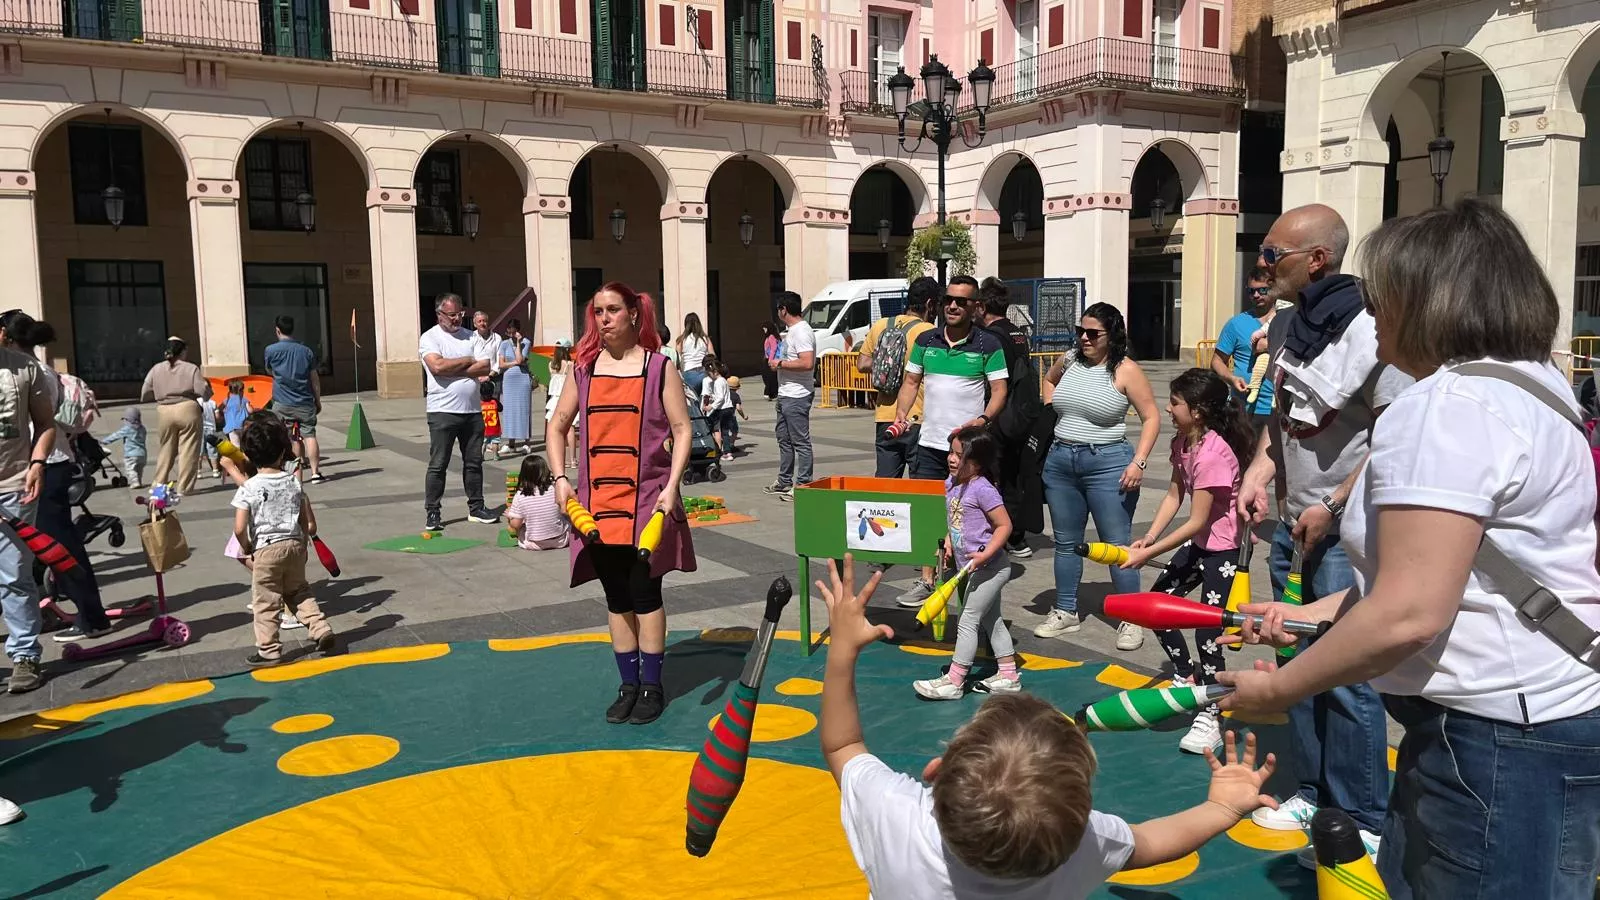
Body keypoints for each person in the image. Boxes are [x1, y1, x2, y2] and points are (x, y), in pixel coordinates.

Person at [1221, 198, 1600, 896]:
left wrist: (1276, 688)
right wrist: (1310, 615)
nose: (1371, 314)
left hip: (1491, 737)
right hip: (1544, 717)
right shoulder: (1536, 385)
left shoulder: (1444, 408)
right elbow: (1447, 573)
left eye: (1382, 295)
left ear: (1427, 301)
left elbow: (1408, 613)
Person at [817, 554, 1281, 900]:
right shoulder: (1079, 845)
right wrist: (1222, 807)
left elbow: (842, 744)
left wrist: (842, 648)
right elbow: (1151, 842)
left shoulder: (898, 816)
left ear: (934, 771)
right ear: (1084, 809)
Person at [1231, 203, 1399, 850]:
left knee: (1347, 679)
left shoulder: (1373, 330)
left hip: (1342, 536)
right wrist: (1258, 471)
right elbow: (1283, 422)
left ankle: (1363, 819)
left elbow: (1393, 437)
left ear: (1317, 260)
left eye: (1273, 254)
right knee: (1295, 661)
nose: (1261, 264)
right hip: (1292, 530)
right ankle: (1313, 793)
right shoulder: (1288, 326)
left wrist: (1333, 504)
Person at [549, 282, 695, 726]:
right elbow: (557, 425)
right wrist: (560, 480)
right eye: (598, 311)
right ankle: (628, 685)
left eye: (613, 310)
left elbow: (682, 429)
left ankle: (652, 686)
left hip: (648, 502)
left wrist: (672, 486)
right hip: (597, 506)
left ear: (633, 313)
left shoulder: (659, 367)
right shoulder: (584, 369)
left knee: (645, 594)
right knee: (616, 597)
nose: (604, 318)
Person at [1122, 368, 1253, 755]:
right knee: (1158, 607)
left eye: (1175, 402)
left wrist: (1147, 554)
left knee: (1206, 631)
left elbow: (1197, 520)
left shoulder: (1212, 454)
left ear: (1197, 411)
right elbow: (1173, 495)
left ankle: (1212, 711)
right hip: (1200, 544)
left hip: (1223, 550)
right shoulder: (1183, 442)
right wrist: (1150, 536)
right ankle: (1186, 674)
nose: (1168, 407)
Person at [1034, 304, 1161, 650]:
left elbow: (1151, 417)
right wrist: (1050, 410)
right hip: (1061, 461)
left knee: (1117, 544)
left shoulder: (1125, 369)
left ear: (1112, 335)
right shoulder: (1069, 359)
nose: (1084, 339)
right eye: (1081, 331)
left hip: (1108, 464)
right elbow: (1048, 380)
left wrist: (1139, 463)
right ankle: (1065, 610)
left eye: (1093, 333)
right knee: (1066, 542)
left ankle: (1132, 618)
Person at [891, 276, 1009, 607]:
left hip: (969, 449)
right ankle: (927, 579)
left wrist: (983, 420)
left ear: (976, 307)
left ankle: (971, 578)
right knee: (930, 515)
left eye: (961, 301)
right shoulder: (926, 339)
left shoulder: (988, 344)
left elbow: (1000, 390)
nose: (952, 306)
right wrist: (901, 414)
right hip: (929, 444)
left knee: (970, 515)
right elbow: (911, 381)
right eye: (948, 300)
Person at [0, 313, 112, 645]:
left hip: (43, 467)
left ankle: (92, 616)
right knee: (43, 550)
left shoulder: (31, 371)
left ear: (7, 338)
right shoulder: (39, 369)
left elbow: (44, 423)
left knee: (57, 548)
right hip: (46, 464)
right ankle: (71, 612)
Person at [911, 425, 1018, 700]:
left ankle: (955, 681)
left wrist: (986, 553)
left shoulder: (982, 489)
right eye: (951, 452)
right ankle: (1008, 675)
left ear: (978, 462)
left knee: (967, 620)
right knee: (992, 620)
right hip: (974, 568)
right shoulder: (952, 483)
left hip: (991, 568)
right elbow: (958, 521)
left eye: (960, 455)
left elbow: (1004, 525)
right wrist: (949, 541)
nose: (952, 458)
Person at [231, 414, 336, 666]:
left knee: (266, 600)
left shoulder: (249, 487)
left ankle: (269, 649)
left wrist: (246, 547)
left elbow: (239, 527)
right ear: (282, 453)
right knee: (299, 591)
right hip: (294, 545)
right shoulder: (292, 481)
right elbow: (305, 519)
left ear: (249, 455)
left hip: (266, 549)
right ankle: (320, 627)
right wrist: (303, 541)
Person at [0, 321, 62, 697]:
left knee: (14, 574)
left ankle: (24, 654)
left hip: (15, 486)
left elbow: (45, 424)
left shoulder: (24, 368)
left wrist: (37, 463)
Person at [978, 276, 1048, 559]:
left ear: (982, 307)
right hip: (1021, 415)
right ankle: (1017, 535)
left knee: (996, 476)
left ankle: (1006, 535)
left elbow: (996, 382)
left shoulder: (991, 337)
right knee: (1015, 475)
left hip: (1001, 417)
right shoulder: (1018, 333)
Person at [418, 293, 498, 532]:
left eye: (460, 314)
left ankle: (476, 507)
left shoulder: (471, 336)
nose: (457, 319)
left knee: (474, 462)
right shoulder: (430, 337)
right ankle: (433, 511)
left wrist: (452, 369)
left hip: (472, 411)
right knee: (438, 463)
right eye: (452, 315)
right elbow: (436, 366)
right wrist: (467, 361)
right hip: (442, 411)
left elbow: (484, 366)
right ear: (439, 314)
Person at [222, 411, 303, 631]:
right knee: (244, 554)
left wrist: (231, 469)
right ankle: (271, 588)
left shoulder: (287, 464)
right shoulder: (261, 457)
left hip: (275, 526)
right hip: (263, 523)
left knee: (279, 571)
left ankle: (285, 610)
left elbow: (251, 488)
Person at [856, 277, 936, 479]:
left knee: (886, 483)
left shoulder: (881, 325)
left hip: (885, 417)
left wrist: (888, 364)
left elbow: (862, 364)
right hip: (917, 417)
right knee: (921, 484)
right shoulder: (929, 332)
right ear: (930, 304)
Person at [1212, 267, 1282, 434]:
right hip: (1244, 408)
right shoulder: (1236, 324)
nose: (1256, 295)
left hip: (1279, 407)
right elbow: (1217, 361)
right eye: (1251, 291)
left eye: (1262, 290)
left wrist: (1269, 345)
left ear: (1274, 289)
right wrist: (1231, 378)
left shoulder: (1287, 319)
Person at [139, 337, 208, 494]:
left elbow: (145, 392)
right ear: (182, 352)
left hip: (164, 409)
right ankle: (184, 487)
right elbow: (202, 390)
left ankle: (158, 484)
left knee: (166, 448)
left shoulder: (156, 368)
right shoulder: (191, 368)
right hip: (187, 407)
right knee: (188, 449)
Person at [764, 292, 816, 500]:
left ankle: (803, 484)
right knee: (784, 439)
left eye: (778, 309)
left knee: (800, 442)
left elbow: (807, 362)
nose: (777, 313)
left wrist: (781, 364)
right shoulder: (791, 331)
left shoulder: (802, 332)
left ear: (784, 310)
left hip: (797, 395)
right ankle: (784, 480)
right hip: (785, 393)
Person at [263, 315, 324, 484]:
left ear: (277, 330)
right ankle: (315, 473)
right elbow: (314, 379)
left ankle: (292, 473)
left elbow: (269, 370)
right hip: (304, 401)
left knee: (288, 437)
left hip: (282, 402)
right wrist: (317, 400)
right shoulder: (306, 351)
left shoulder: (270, 350)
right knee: (309, 436)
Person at [506, 454, 568, 551]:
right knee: (565, 517)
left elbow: (516, 525)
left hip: (534, 544)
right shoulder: (555, 488)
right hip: (561, 540)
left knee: (519, 525)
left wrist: (510, 516)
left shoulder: (520, 496)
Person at [497, 319, 534, 456]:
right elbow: (501, 364)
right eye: (509, 331)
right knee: (509, 411)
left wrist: (518, 343)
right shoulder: (504, 344)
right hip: (509, 380)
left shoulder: (526, 343)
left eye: (513, 331)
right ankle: (511, 443)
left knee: (524, 410)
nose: (511, 334)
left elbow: (520, 359)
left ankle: (526, 442)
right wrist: (515, 363)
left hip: (522, 379)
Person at [545, 339, 575, 470]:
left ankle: (557, 459)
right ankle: (573, 459)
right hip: (566, 396)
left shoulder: (551, 365)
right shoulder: (570, 365)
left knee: (554, 428)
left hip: (554, 398)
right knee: (570, 428)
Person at [699, 353, 735, 457]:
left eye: (709, 374)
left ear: (714, 372)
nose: (709, 376)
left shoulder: (717, 382)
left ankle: (718, 450)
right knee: (724, 431)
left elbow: (720, 397)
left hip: (721, 409)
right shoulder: (723, 380)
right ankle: (727, 452)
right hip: (728, 408)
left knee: (711, 427)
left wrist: (710, 406)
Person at [101, 407, 147, 488]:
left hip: (131, 454)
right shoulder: (142, 428)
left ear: (128, 420)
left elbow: (116, 435)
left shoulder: (127, 429)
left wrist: (104, 441)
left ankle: (135, 482)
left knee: (130, 469)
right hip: (142, 454)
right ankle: (139, 481)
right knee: (139, 469)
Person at [676, 312, 715, 396]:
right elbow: (712, 356)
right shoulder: (705, 339)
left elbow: (677, 358)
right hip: (704, 372)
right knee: (705, 398)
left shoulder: (681, 340)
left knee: (693, 399)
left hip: (688, 373)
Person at [221, 379, 250, 444]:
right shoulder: (244, 399)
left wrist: (224, 411)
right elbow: (250, 410)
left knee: (236, 445)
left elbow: (220, 409)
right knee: (244, 443)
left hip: (231, 427)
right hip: (242, 425)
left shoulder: (226, 400)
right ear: (241, 391)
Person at [480, 380, 503, 458]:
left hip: (484, 428)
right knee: (495, 442)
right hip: (495, 428)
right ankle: (496, 455)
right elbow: (501, 408)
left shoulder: (480, 403)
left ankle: (481, 456)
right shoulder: (494, 401)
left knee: (483, 443)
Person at [759, 321, 780, 400]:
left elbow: (773, 349)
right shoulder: (769, 337)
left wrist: (770, 360)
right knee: (768, 376)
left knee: (769, 377)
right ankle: (771, 393)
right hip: (767, 358)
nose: (764, 330)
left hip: (771, 359)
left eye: (765, 328)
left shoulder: (771, 337)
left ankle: (768, 392)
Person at [726, 374, 747, 448]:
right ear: (737, 387)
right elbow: (738, 408)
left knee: (724, 431)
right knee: (734, 431)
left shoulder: (724, 394)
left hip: (721, 415)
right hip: (730, 416)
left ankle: (722, 445)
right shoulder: (736, 396)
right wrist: (744, 416)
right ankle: (731, 445)